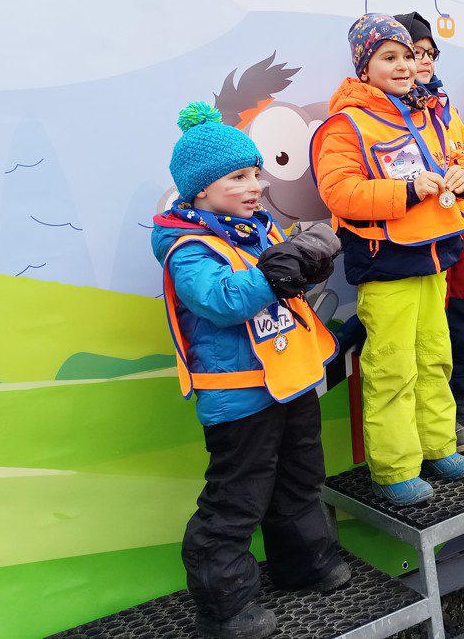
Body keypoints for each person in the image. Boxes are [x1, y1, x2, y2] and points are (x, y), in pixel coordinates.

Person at [152, 101, 348, 639]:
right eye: (237, 177)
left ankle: (304, 564)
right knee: (236, 501)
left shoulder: (257, 228)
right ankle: (225, 609)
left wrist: (309, 259)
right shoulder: (188, 248)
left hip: (289, 383)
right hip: (239, 397)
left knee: (300, 478)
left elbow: (287, 286)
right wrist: (281, 268)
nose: (255, 186)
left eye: (255, 173)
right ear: (200, 190)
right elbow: (223, 301)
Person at [311, 13, 464, 506]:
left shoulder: (429, 113)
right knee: (391, 367)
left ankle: (438, 446)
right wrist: (405, 190)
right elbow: (339, 193)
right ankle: (395, 468)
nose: (404, 65)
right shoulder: (344, 125)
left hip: (434, 259)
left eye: (408, 55)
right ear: (364, 68)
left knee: (434, 357)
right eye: (389, 57)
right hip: (385, 264)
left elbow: (457, 162)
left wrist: (461, 179)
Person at [395, 10, 464, 451]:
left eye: (428, 53)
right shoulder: (388, 110)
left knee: (462, 322)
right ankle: (437, 421)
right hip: (424, 237)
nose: (422, 61)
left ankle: (461, 405)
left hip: (463, 228)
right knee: (429, 330)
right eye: (412, 52)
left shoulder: (446, 108)